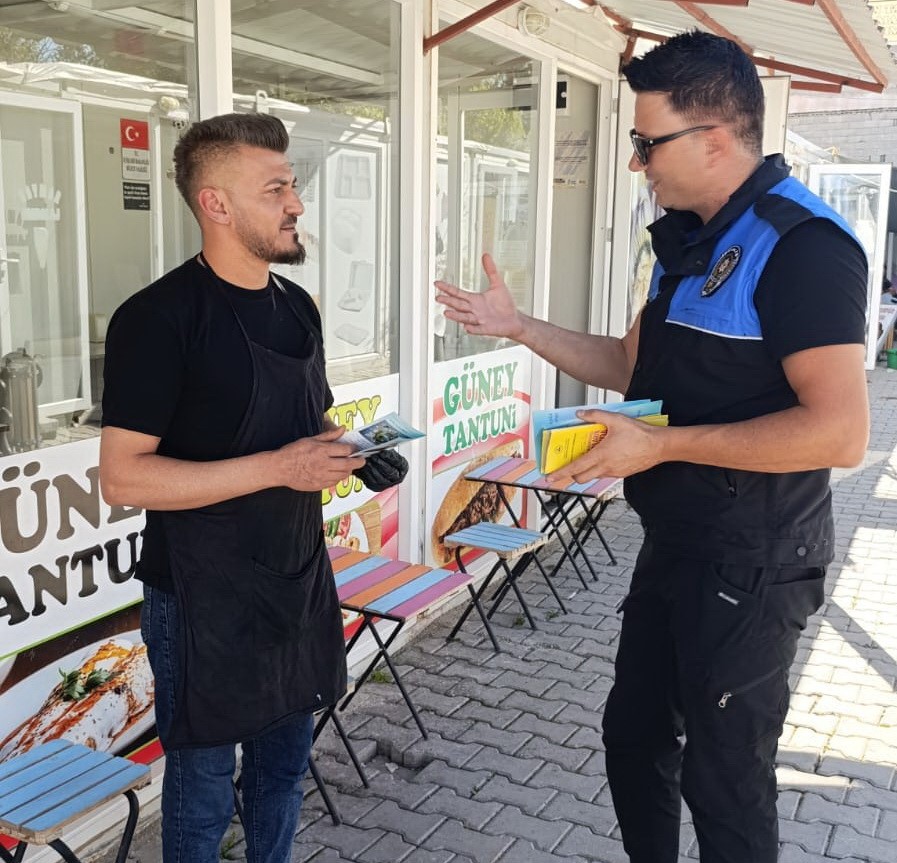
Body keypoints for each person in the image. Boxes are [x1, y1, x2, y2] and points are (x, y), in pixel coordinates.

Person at [436, 31, 869, 863]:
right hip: (677, 542)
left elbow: (840, 432)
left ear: (712, 138)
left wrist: (663, 447)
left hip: (755, 556)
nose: (637, 162)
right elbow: (626, 362)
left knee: (724, 775)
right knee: (633, 739)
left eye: (645, 142)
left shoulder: (803, 246)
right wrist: (518, 326)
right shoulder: (686, 241)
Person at [99, 112, 406, 863]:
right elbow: (122, 475)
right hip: (200, 598)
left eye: (292, 185)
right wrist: (281, 468)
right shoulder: (157, 319)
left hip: (294, 578)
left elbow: (309, 421)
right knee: (202, 793)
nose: (296, 203)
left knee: (282, 771)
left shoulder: (296, 305)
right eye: (276, 189)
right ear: (217, 204)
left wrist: (356, 451)